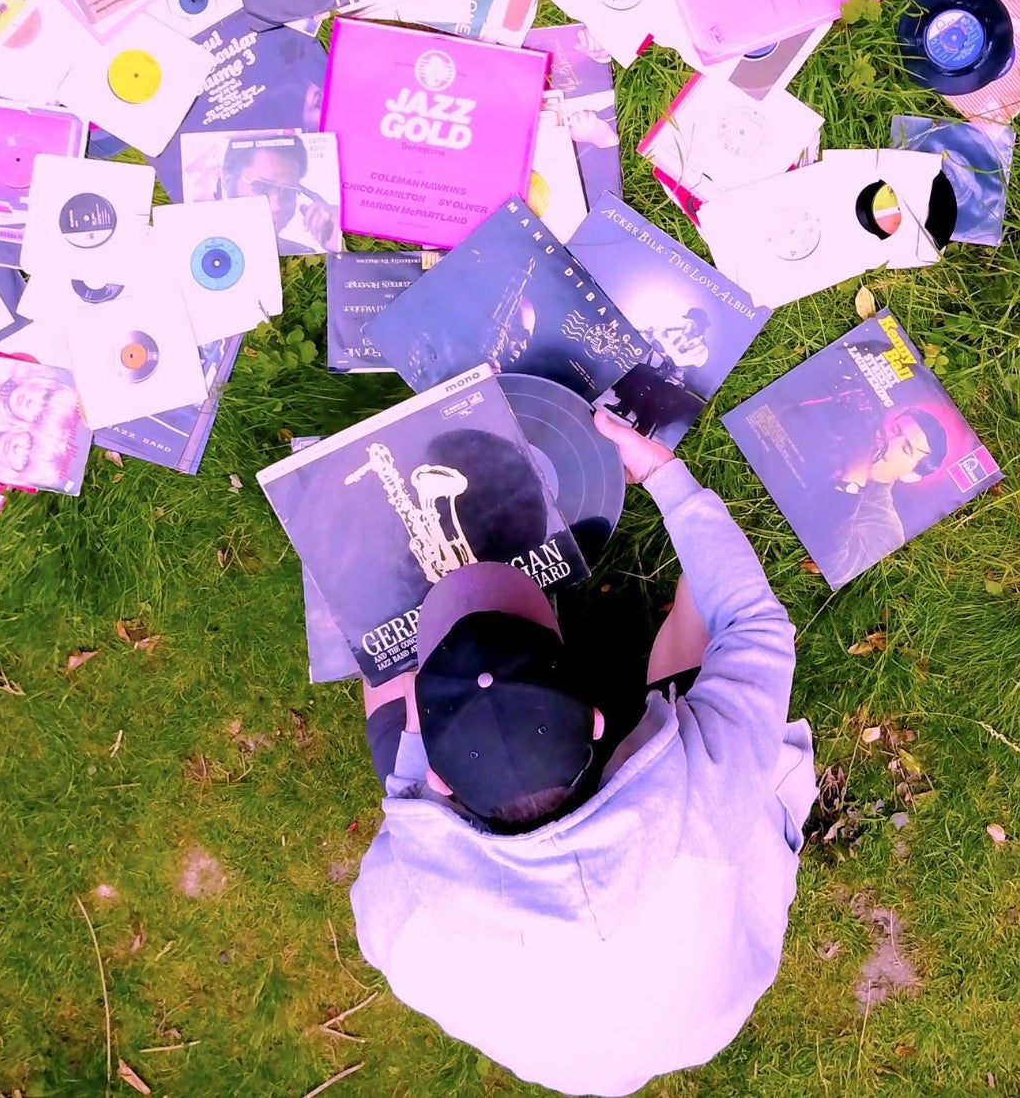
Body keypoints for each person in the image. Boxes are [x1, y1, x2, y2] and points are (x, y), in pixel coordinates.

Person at [350, 410, 817, 1096]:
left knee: (382, 685)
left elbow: (406, 805)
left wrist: (417, 722)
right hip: (701, 1002)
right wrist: (665, 475)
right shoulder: (703, 795)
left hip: (586, 1060)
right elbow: (751, 623)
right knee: (704, 621)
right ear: (599, 719)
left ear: (440, 781)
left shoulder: (398, 907)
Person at [822, 406, 948, 587]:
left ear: (910, 476)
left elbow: (834, 568)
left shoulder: (887, 529)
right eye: (895, 430)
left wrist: (854, 477)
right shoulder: (837, 439)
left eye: (906, 448)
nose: (889, 441)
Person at [221, 135, 341, 252]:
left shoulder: (301, 255)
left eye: (289, 192)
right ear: (229, 182)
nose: (276, 207)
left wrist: (341, 241)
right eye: (262, 187)